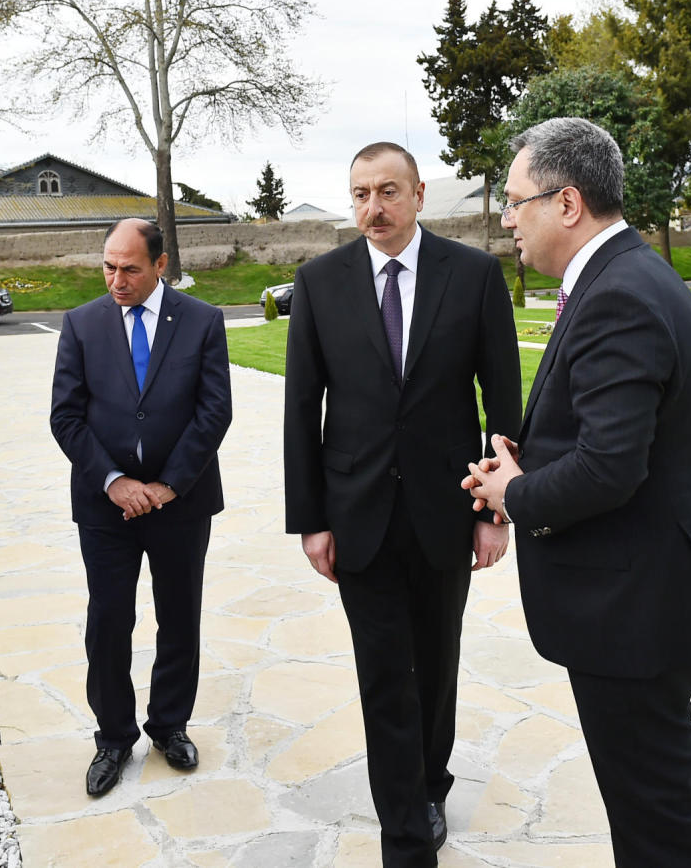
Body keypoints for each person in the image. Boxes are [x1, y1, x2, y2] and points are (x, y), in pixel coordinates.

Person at [463, 117, 691, 866]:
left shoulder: (620, 294)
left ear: (568, 202)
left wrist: (517, 494)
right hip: (642, 597)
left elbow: (612, 467)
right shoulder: (620, 278)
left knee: (659, 827)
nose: (507, 219)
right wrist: (526, 464)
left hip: (636, 611)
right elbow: (606, 437)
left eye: (516, 202)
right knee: (651, 812)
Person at [283, 142, 521, 865]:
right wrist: (311, 520)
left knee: (436, 666)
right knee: (383, 674)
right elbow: (301, 409)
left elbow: (502, 402)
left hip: (445, 511)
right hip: (357, 516)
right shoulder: (319, 283)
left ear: (418, 193)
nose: (371, 208)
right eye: (359, 193)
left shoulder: (474, 275)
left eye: (387, 191)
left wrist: (492, 512)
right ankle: (405, 838)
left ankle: (430, 784)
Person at [50, 218, 232, 797]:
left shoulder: (203, 322)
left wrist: (169, 484)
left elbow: (214, 412)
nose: (116, 279)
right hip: (106, 508)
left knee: (179, 616)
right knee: (108, 620)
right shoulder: (81, 325)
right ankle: (113, 735)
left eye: (129, 268)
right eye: (108, 266)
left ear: (160, 265)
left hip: (181, 503)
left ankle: (170, 726)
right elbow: (66, 417)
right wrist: (114, 481)